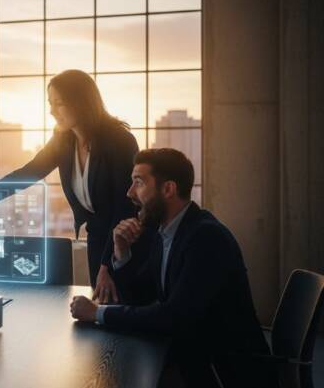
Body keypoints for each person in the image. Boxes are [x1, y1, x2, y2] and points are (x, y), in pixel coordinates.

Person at [69, 148, 272, 388]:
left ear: (168, 189)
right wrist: (122, 252)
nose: (129, 192)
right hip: (194, 358)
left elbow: (173, 317)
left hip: (224, 372)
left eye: (138, 182)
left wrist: (97, 313)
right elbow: (141, 298)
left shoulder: (206, 237)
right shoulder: (166, 233)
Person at [0, 69, 142, 302]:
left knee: (123, 304)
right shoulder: (63, 139)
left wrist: (108, 265)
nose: (52, 111)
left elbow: (124, 206)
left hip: (125, 239)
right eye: (50, 103)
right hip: (96, 236)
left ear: (81, 102)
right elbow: (32, 171)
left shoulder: (119, 141)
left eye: (59, 103)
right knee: (101, 306)